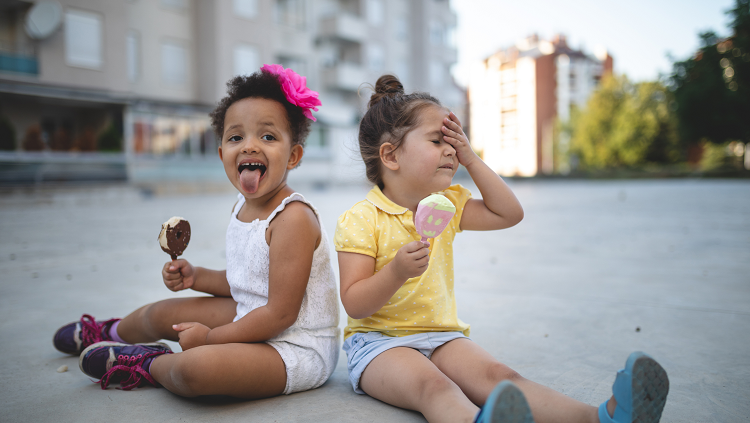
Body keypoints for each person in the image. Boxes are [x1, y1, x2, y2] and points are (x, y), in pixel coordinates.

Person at [334, 75, 669, 423]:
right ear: (390, 156)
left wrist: (473, 159)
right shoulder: (361, 218)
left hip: (443, 336)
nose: (451, 149)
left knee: (502, 378)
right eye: (438, 140)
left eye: (454, 141)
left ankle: (603, 418)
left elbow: (509, 213)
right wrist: (395, 272)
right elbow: (355, 303)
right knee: (435, 387)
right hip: (379, 344)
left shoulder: (446, 206)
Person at [53, 65, 340, 399]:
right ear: (222, 155)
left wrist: (209, 339)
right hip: (250, 315)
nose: (249, 146)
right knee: (162, 313)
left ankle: (149, 363)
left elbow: (280, 313)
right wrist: (196, 276)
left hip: (295, 346)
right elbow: (245, 280)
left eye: (268, 136)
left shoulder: (294, 219)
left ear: (293, 156)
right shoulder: (242, 206)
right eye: (236, 137)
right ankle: (111, 332)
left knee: (198, 369)